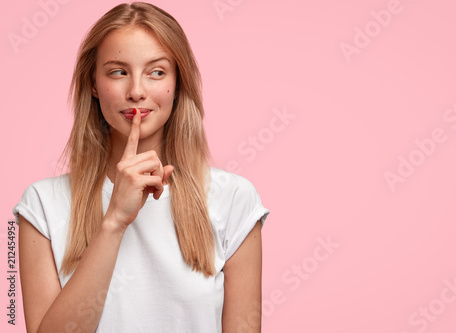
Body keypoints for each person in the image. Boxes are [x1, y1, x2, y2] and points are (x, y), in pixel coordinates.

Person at [12, 2, 269, 332]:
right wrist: (115, 220)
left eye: (157, 72)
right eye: (118, 72)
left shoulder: (234, 198)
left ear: (177, 85)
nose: (136, 91)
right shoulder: (42, 205)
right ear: (93, 84)